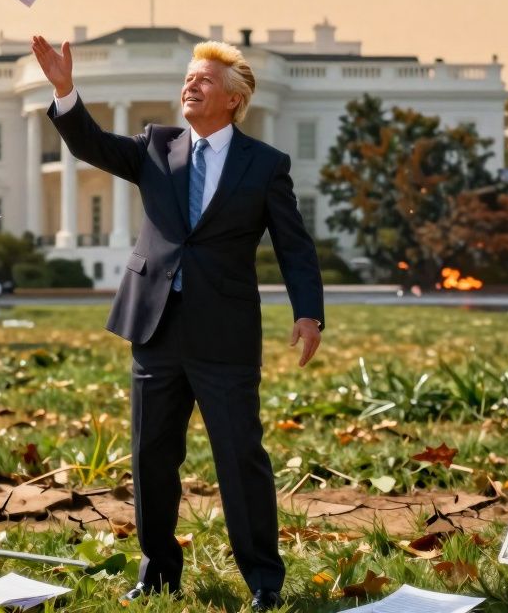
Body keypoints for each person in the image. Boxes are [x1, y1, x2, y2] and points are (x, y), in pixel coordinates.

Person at [31, 35, 324, 611]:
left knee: (241, 456)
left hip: (225, 334)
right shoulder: (156, 146)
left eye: (205, 80)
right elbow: (91, 145)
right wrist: (65, 90)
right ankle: (158, 574)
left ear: (234, 100)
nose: (190, 85)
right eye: (188, 77)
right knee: (152, 456)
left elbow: (295, 245)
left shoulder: (265, 165)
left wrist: (308, 311)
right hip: (155, 326)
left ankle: (264, 581)